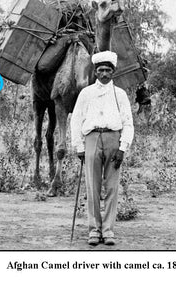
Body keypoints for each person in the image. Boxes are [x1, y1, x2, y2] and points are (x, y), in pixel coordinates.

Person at [70, 50, 134, 246]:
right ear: (95, 72)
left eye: (108, 70)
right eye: (100, 70)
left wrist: (123, 148)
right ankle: (94, 230)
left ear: (113, 72)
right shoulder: (86, 93)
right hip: (91, 138)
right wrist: (78, 145)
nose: (104, 74)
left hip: (113, 139)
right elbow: (76, 119)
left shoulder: (120, 94)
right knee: (92, 186)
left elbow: (128, 123)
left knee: (112, 187)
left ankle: (108, 230)